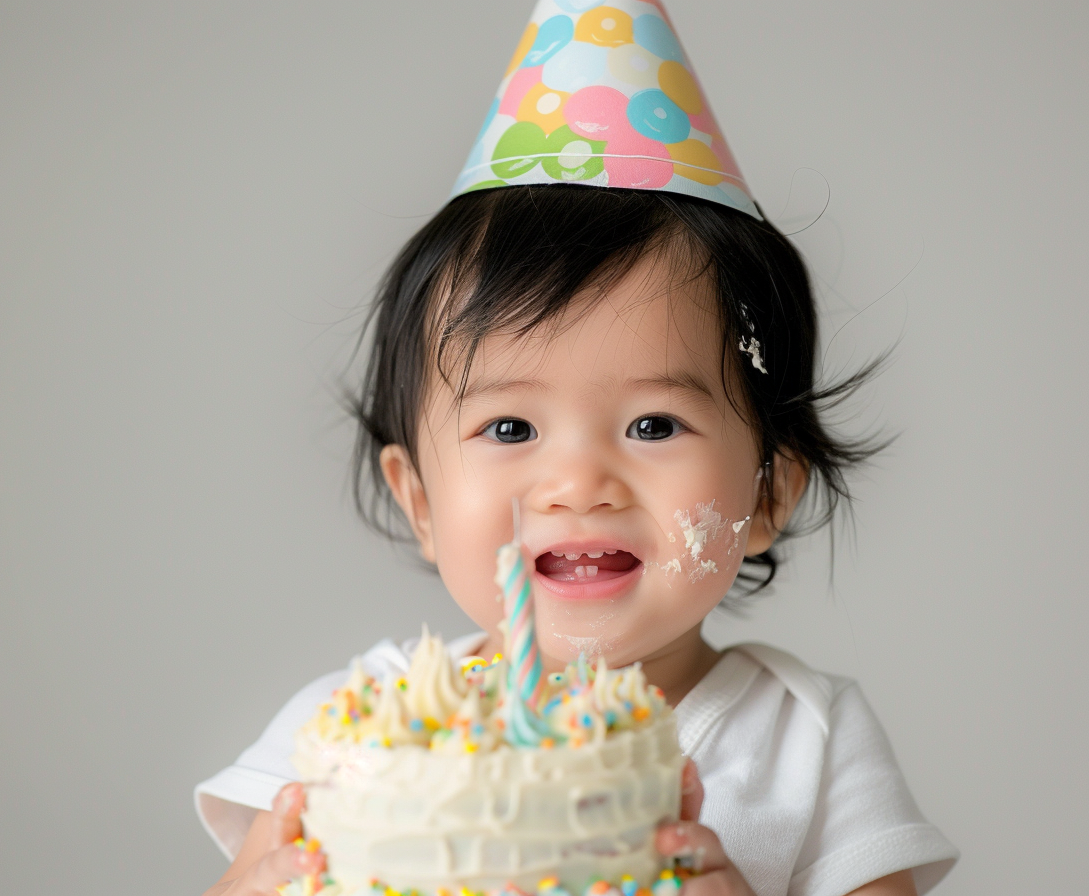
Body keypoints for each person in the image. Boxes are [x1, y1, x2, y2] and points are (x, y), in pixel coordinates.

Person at [199, 3, 958, 895]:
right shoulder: (357, 728)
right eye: (511, 428)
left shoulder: (807, 743)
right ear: (419, 502)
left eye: (653, 426)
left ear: (768, 492)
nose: (577, 482)